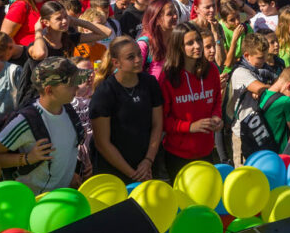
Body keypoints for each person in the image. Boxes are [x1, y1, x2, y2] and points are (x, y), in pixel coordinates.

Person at [0, 57, 84, 192]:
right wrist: (27, 158)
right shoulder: (26, 121)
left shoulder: (68, 109)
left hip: (63, 196)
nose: (77, 87)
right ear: (49, 90)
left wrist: (72, 174)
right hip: (33, 201)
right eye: (71, 84)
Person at [89, 36, 163, 180]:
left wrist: (148, 160)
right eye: (131, 57)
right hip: (115, 172)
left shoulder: (150, 83)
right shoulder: (104, 92)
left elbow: (157, 125)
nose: (138, 59)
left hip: (146, 167)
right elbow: (102, 143)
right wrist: (133, 174)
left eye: (139, 54)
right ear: (116, 63)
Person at [158, 23, 223, 178]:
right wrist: (190, 127)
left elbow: (216, 101)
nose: (197, 46)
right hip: (178, 155)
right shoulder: (167, 77)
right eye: (190, 43)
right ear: (179, 47)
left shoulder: (212, 70)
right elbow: (162, 120)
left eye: (198, 40)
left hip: (206, 150)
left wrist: (216, 117)